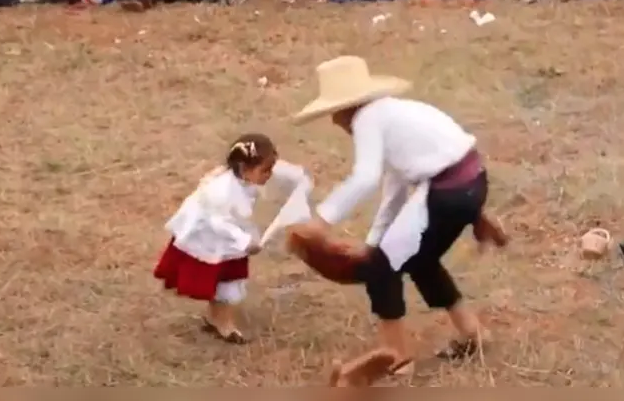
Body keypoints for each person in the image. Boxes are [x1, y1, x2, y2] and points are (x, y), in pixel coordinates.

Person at [290, 55, 508, 371]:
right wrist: (373, 241)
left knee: (380, 268)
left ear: (347, 107)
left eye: (334, 112)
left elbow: (365, 178)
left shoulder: (367, 119)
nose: (334, 121)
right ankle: (473, 332)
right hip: (472, 183)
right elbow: (395, 189)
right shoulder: (393, 113)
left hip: (447, 192)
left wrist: (321, 221)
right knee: (419, 260)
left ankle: (396, 355)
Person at [154, 134, 312, 344]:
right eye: (265, 170)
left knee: (225, 278)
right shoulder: (221, 192)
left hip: (225, 236)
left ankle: (217, 318)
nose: (269, 175)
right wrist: (243, 241)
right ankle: (223, 322)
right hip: (211, 238)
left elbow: (282, 172)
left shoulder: (246, 176)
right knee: (225, 278)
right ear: (245, 169)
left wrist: (300, 176)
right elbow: (217, 223)